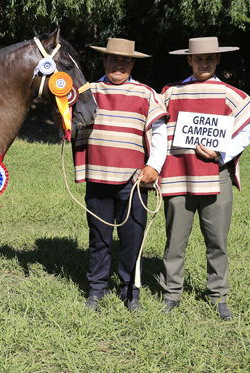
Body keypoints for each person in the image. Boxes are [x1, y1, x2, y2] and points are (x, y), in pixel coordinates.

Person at [159, 37, 250, 321]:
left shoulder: (229, 94)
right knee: (174, 242)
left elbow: (245, 132)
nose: (203, 63)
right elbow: (157, 129)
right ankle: (171, 293)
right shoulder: (171, 93)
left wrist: (221, 152)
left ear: (218, 60)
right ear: (189, 60)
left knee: (217, 241)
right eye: (198, 58)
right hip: (178, 176)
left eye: (209, 58)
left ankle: (218, 295)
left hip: (215, 176)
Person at [73, 38, 168, 312]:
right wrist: (63, 122)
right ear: (104, 61)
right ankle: (96, 290)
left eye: (125, 61)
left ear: (132, 64)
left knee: (132, 239)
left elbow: (160, 134)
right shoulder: (87, 92)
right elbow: (72, 127)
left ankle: (131, 291)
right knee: (99, 237)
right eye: (113, 59)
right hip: (99, 177)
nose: (119, 65)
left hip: (134, 181)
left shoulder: (147, 94)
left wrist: (154, 166)